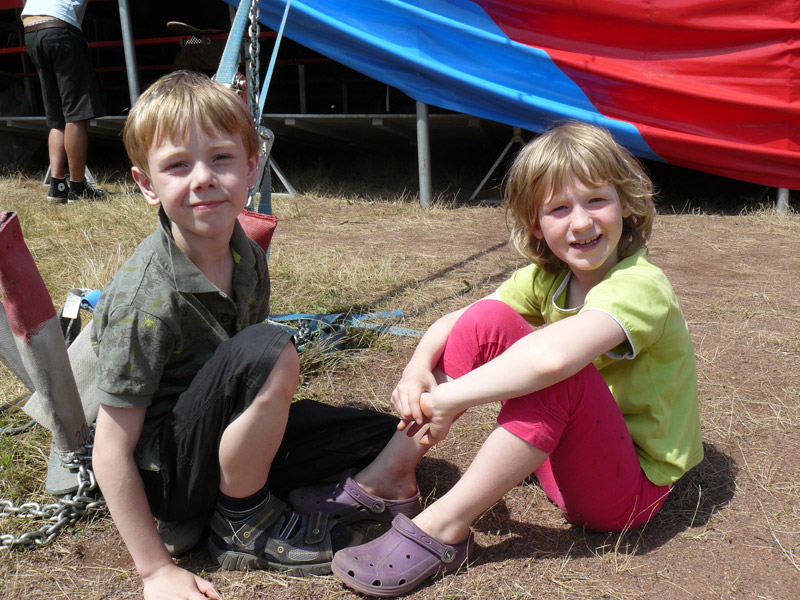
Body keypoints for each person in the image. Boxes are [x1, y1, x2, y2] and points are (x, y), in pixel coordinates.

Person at [288, 122, 704, 597]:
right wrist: (417, 367)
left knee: (558, 374)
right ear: (536, 223)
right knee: (487, 318)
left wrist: (448, 398)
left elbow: (554, 359)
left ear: (625, 202)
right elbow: (461, 321)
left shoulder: (641, 285)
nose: (581, 223)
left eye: (596, 200)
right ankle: (388, 478)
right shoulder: (550, 278)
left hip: (627, 491)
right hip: (565, 462)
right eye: (559, 209)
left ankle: (445, 527)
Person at [91, 71, 397, 600]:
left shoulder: (247, 255)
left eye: (221, 158)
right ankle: (241, 523)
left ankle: (245, 495)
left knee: (378, 435)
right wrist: (155, 571)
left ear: (252, 166)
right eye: (178, 165)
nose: (203, 178)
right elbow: (111, 449)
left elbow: (249, 389)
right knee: (269, 348)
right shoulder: (144, 300)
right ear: (146, 184)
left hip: (220, 442)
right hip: (170, 476)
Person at [21, 0, 107, 203]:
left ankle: (57, 186)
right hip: (59, 26)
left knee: (57, 116)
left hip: (31, 30)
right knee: (75, 112)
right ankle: (78, 188)